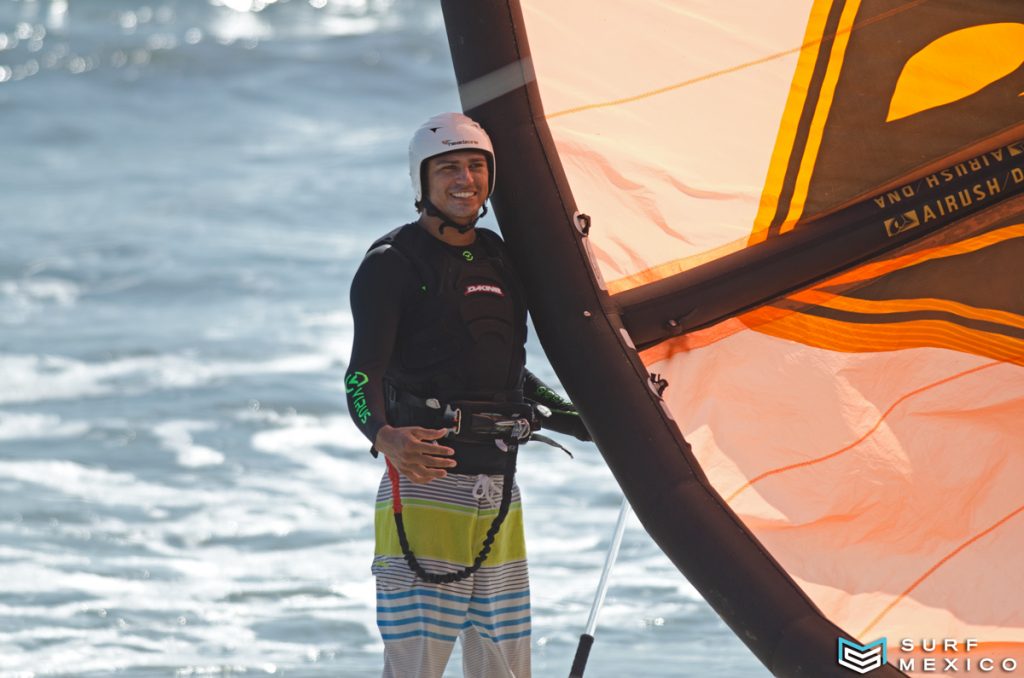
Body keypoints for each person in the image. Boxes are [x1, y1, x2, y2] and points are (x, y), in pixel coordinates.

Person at [344, 112, 589, 678]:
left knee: (505, 669)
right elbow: (362, 374)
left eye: (476, 166)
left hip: (500, 489)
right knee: (417, 669)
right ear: (422, 181)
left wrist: (591, 419)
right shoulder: (392, 264)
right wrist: (384, 436)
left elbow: (507, 374)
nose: (464, 179)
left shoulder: (500, 256)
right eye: (449, 167)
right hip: (430, 488)